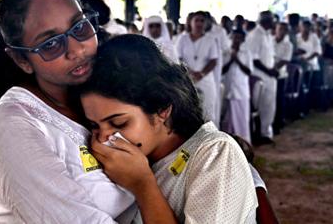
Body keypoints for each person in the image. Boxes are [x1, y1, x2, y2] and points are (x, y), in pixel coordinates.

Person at [0, 0, 134, 223]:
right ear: (21, 59)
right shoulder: (12, 123)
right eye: (50, 44)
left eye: (80, 27)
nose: (76, 50)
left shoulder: (108, 90)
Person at [78, 34, 258, 223]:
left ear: (162, 109)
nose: (103, 138)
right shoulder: (140, 159)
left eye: (119, 123)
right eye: (94, 126)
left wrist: (143, 186)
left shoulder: (214, 152)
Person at [177, 11, 219, 126]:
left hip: (205, 79)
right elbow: (178, 58)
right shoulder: (183, 39)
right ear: (190, 22)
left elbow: (213, 60)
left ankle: (210, 140)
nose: (199, 23)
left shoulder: (210, 39)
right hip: (187, 79)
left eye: (202, 21)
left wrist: (201, 74)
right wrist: (189, 72)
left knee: (207, 110)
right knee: (188, 109)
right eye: (196, 20)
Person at [245, 11, 277, 145]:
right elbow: (254, 59)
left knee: (269, 105)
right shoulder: (255, 35)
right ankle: (261, 133)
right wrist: (269, 71)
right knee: (262, 105)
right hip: (260, 75)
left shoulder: (267, 35)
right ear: (266, 21)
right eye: (272, 20)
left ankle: (266, 132)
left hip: (269, 75)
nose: (274, 22)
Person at [222, 29, 253, 144]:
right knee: (227, 121)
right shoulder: (226, 52)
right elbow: (222, 71)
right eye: (234, 37)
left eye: (239, 37)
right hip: (228, 89)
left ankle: (244, 144)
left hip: (241, 91)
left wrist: (237, 60)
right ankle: (228, 144)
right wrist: (231, 60)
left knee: (242, 120)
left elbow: (249, 71)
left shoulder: (247, 53)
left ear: (243, 39)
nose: (236, 40)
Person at [272, 22, 293, 134]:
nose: (281, 31)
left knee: (279, 99)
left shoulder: (288, 44)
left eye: (284, 30)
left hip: (280, 74)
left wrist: (273, 67)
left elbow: (285, 60)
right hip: (269, 73)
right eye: (280, 29)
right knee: (270, 99)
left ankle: (278, 123)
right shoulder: (270, 40)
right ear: (276, 29)